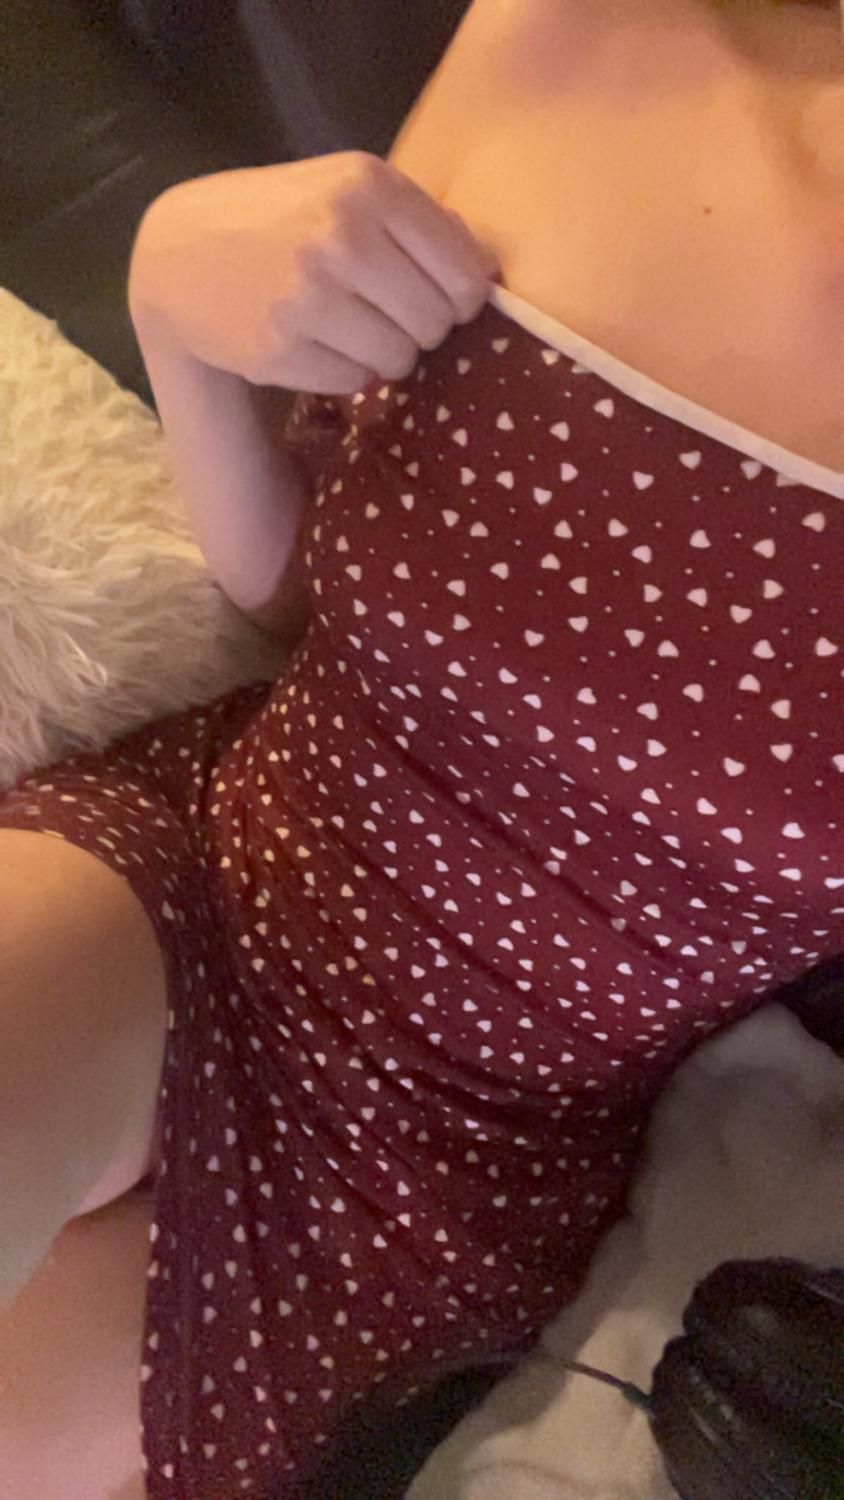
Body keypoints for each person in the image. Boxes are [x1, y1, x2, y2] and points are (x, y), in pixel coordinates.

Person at [1, 1, 843, 1496]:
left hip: (453, 1163)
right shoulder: (570, 33)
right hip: (218, 870)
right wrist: (174, 306)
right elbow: (305, 594)